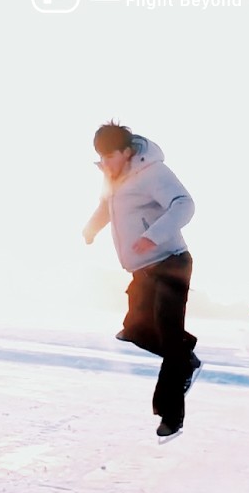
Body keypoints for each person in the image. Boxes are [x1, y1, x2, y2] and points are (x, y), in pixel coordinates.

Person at [82, 121, 201, 437]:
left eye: (110, 156)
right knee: (134, 330)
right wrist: (92, 228)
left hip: (171, 263)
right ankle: (184, 358)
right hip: (142, 271)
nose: (105, 163)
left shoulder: (152, 172)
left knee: (169, 335)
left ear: (127, 151)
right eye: (101, 157)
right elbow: (107, 206)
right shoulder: (113, 178)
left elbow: (184, 204)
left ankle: (170, 418)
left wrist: (152, 236)